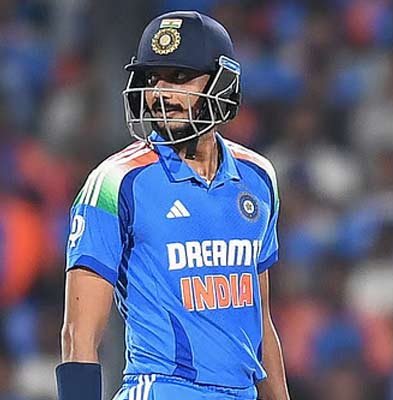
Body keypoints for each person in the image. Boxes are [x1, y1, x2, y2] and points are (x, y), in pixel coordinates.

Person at [56, 11, 290, 400]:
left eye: (179, 77)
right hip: (161, 388)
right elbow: (77, 335)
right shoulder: (117, 181)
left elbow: (258, 320)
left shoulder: (258, 177)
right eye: (152, 79)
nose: (161, 93)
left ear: (222, 82)